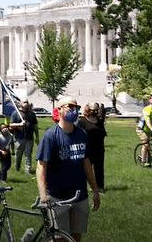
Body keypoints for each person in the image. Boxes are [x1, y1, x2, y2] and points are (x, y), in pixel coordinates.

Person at [36, 96, 100, 242]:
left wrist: (95, 189)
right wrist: (43, 194)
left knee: (75, 237)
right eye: (69, 107)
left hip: (79, 196)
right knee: (58, 238)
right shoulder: (50, 136)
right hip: (57, 198)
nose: (73, 110)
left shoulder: (81, 135)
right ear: (59, 110)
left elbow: (86, 163)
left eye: (75, 107)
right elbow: (41, 166)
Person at [77, 102, 107, 192]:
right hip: (87, 149)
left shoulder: (99, 121)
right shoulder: (82, 121)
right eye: (93, 110)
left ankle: (99, 187)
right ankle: (82, 187)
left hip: (99, 149)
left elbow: (103, 133)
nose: (95, 112)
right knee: (86, 169)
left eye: (96, 110)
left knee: (99, 169)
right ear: (88, 110)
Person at [10, 99, 39, 174]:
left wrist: (37, 136)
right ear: (21, 103)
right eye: (25, 102)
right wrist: (19, 124)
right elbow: (11, 125)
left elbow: (35, 126)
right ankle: (17, 167)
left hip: (29, 137)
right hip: (19, 138)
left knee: (28, 154)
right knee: (18, 154)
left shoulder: (32, 114)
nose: (26, 104)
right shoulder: (15, 113)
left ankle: (27, 170)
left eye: (27, 102)